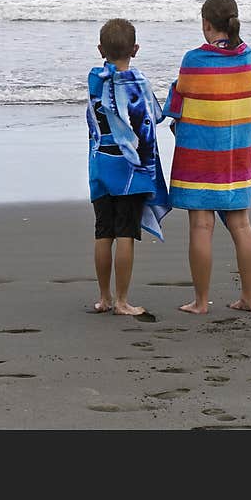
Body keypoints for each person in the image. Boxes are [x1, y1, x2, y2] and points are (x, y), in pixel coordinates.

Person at [164, 0, 251, 314]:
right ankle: (249, 297)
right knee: (242, 226)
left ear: (206, 24)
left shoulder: (194, 60)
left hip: (201, 154)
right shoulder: (249, 58)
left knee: (201, 227)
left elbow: (181, 94)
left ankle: (201, 301)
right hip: (236, 153)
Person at [86, 18, 171, 316]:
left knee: (102, 233)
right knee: (125, 234)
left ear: (100, 49)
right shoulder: (138, 83)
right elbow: (152, 119)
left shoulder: (95, 81)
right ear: (135, 49)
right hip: (130, 173)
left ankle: (104, 297)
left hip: (100, 169)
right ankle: (122, 301)